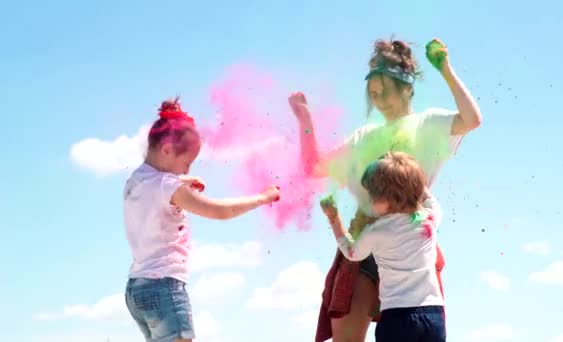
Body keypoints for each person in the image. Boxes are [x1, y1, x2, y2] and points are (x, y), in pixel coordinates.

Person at [288, 37, 481, 341]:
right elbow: (314, 168)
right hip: (364, 242)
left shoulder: (428, 123)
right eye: (373, 94)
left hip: (410, 246)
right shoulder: (364, 136)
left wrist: (444, 69)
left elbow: (471, 119)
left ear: (407, 87)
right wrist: (305, 121)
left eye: (386, 91)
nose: (379, 100)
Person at [123, 98, 280, 342]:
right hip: (164, 286)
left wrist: (184, 183)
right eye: (186, 163)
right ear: (166, 149)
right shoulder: (168, 186)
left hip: (137, 290)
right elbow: (220, 211)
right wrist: (263, 197)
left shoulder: (134, 181)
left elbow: (157, 185)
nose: (186, 171)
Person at [321, 152, 446, 342]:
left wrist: (334, 219)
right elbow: (427, 196)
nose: (370, 200)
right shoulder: (429, 219)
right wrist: (408, 174)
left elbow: (351, 253)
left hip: (397, 319)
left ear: (388, 197)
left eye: (373, 195)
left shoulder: (377, 231)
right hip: (433, 315)